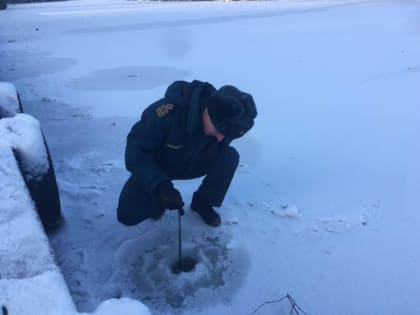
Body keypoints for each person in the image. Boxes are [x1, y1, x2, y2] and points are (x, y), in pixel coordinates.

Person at [117, 80, 257, 227]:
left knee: (229, 156)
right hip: (160, 166)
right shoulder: (165, 114)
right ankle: (157, 203)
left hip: (195, 162)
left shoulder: (226, 118)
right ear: (208, 114)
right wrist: (160, 186)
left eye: (227, 135)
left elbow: (222, 139)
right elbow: (136, 153)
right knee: (127, 215)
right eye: (219, 132)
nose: (221, 138)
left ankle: (202, 202)